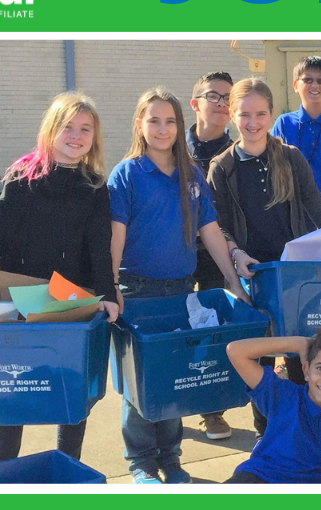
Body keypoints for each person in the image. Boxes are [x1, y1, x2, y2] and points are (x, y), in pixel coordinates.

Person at [207, 78, 321, 437]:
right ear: (232, 115)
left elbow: (317, 209)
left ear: (271, 114)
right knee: (260, 356)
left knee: (301, 355)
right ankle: (266, 432)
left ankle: (307, 428)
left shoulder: (291, 158)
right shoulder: (223, 166)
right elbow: (218, 224)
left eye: (260, 114)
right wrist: (236, 254)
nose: (253, 122)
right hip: (255, 273)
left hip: (294, 273)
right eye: (244, 114)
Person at [108, 87, 248, 484]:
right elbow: (115, 235)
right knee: (140, 384)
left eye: (170, 121)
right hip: (137, 292)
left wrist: (234, 284)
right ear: (140, 124)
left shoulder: (191, 174)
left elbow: (212, 233)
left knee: (172, 378)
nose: (163, 128)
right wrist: (111, 285)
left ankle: (171, 459)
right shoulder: (128, 174)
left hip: (180, 291)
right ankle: (141, 463)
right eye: (154, 120)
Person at [0, 92, 120, 463]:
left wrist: (108, 295)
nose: (76, 135)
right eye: (68, 126)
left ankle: (67, 468)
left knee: (70, 393)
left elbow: (100, 248)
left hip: (73, 303)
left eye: (85, 129)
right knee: (14, 390)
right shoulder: (23, 179)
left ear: (94, 138)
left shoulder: (95, 187)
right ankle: (2, 473)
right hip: (21, 301)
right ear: (51, 130)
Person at [223, 325, 321, 484]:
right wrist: (298, 344)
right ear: (306, 370)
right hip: (262, 479)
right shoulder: (283, 396)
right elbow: (235, 351)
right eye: (320, 368)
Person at [186, 71, 236, 442]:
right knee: (175, 326)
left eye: (227, 98)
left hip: (217, 257)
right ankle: (171, 404)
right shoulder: (171, 145)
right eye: (214, 96)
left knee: (213, 328)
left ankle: (211, 410)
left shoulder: (237, 154)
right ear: (195, 103)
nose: (221, 103)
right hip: (173, 256)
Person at [270, 55, 321, 194]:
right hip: (293, 207)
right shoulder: (284, 123)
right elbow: (274, 169)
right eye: (307, 80)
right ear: (295, 85)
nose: (315, 85)